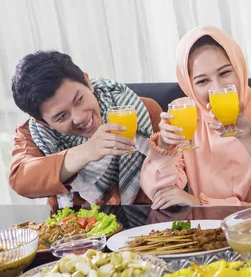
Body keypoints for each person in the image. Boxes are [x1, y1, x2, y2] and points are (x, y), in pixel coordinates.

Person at [140, 26, 251, 209]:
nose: (218, 88)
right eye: (202, 81)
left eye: (225, 73)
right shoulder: (186, 116)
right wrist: (164, 146)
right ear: (189, 86)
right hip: (198, 233)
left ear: (240, 69)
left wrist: (201, 204)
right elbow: (161, 195)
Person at [9, 50, 162, 207]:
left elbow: (174, 172)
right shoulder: (34, 134)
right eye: (62, 116)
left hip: (147, 224)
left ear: (87, 82)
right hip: (76, 227)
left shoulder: (142, 110)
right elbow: (21, 180)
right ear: (43, 122)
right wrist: (86, 152)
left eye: (79, 100)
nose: (79, 118)